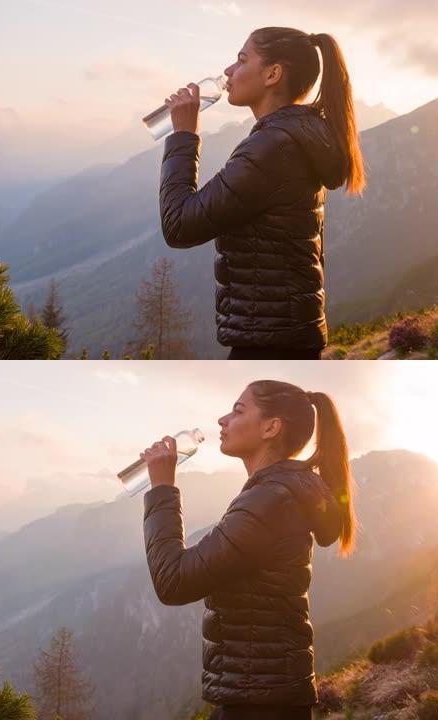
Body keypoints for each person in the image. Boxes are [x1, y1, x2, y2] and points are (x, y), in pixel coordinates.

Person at [140, 380, 357, 720]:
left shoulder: (269, 501)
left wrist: (163, 490)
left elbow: (174, 580)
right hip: (266, 695)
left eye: (238, 411)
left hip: (258, 703)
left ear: (271, 428)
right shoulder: (278, 494)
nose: (222, 421)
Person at [158, 28, 366, 360]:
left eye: (241, 60)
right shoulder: (295, 138)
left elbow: (179, 225)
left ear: (272, 74)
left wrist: (184, 136)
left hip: (269, 341)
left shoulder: (271, 148)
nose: (228, 71)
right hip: (285, 334)